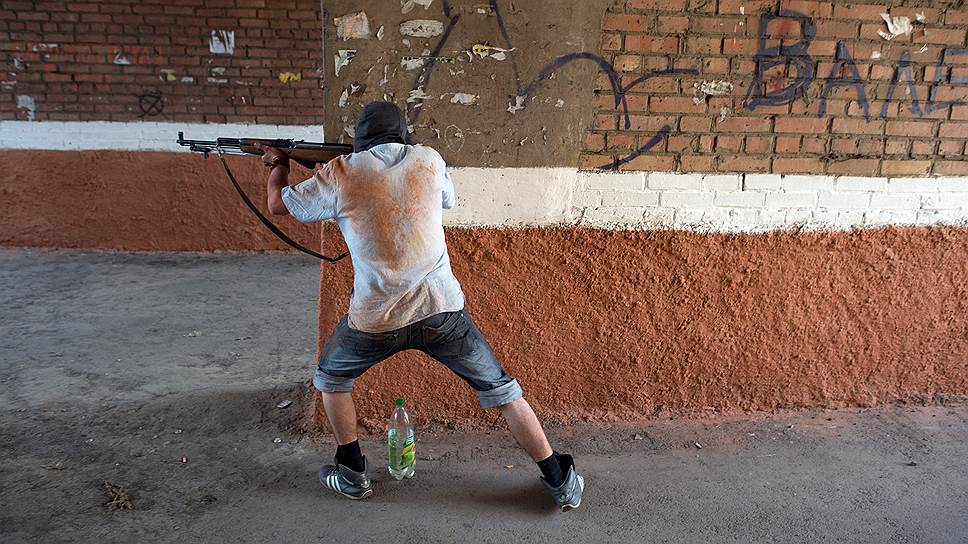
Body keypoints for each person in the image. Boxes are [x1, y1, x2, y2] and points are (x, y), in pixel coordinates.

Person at [259, 101, 584, 511]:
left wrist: (277, 163)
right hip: (442, 310)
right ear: (403, 134)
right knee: (502, 391)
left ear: (359, 139)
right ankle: (560, 480)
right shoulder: (428, 160)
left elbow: (278, 205)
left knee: (331, 379)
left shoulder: (341, 173)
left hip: (376, 319)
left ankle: (352, 472)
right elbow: (443, 198)